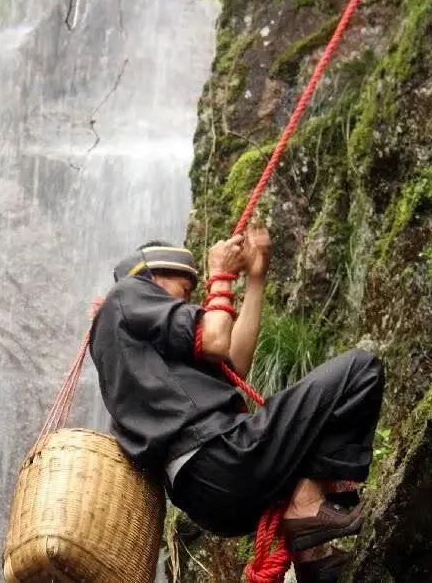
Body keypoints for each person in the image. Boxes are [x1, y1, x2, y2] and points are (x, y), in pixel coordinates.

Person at [88, 228, 385, 582]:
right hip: (220, 455)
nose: (188, 301)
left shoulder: (146, 348)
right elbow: (215, 337)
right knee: (359, 370)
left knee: (314, 425)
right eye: (185, 290)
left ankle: (312, 555)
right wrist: (219, 274)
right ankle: (305, 509)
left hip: (208, 499)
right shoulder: (129, 293)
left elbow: (234, 360)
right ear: (153, 276)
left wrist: (255, 279)